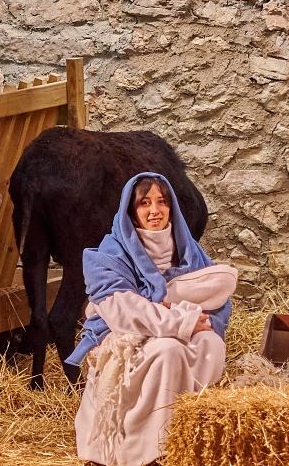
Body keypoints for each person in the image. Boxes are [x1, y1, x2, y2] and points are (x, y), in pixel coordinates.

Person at [66, 172, 236, 466]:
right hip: (123, 332)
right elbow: (122, 308)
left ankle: (190, 438)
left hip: (171, 325)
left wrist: (189, 315)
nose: (154, 211)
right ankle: (147, 447)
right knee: (167, 351)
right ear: (131, 211)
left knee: (210, 343)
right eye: (144, 203)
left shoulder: (188, 249)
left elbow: (217, 297)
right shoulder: (108, 253)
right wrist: (178, 319)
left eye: (161, 202)